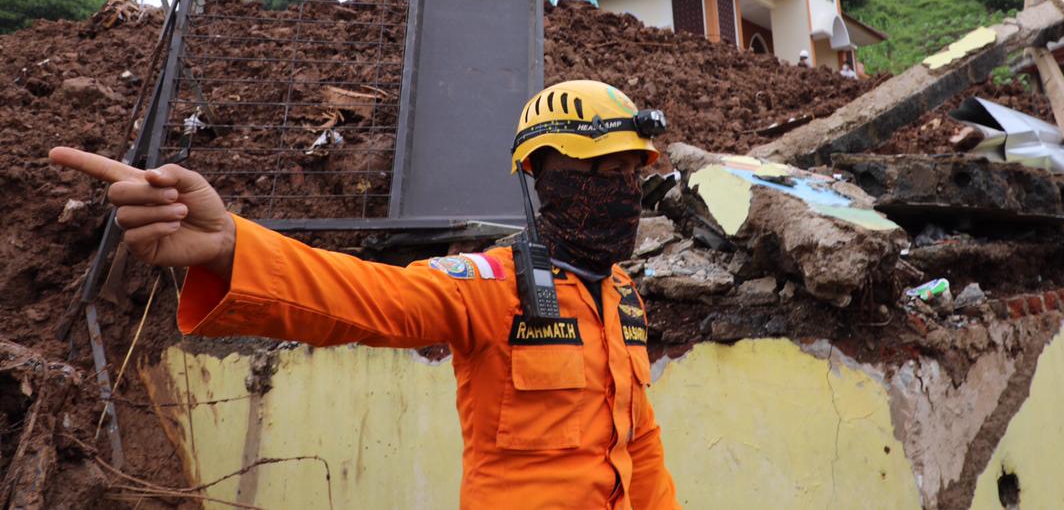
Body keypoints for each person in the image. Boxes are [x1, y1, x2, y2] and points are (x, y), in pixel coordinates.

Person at [50, 79, 680, 510]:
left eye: (628, 172)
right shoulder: (491, 286)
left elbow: (639, 446)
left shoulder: (622, 295)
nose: (620, 189)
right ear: (543, 178)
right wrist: (230, 247)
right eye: (599, 173)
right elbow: (364, 296)